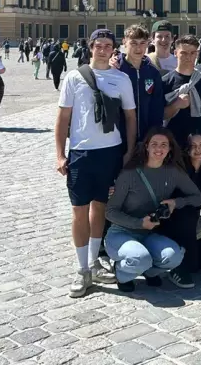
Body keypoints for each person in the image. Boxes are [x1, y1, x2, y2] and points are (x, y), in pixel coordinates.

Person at [55, 29, 137, 297]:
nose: (102, 50)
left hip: (111, 152)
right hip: (81, 153)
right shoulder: (74, 77)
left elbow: (130, 118)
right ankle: (81, 269)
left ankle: (93, 261)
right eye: (98, 45)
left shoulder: (121, 79)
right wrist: (59, 154)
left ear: (114, 49)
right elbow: (63, 119)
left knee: (100, 207)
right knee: (79, 210)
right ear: (90, 47)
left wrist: (129, 150)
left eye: (107, 46)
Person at [104, 127, 201, 292]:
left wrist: (175, 203)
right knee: (141, 258)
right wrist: (139, 223)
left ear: (170, 148)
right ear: (146, 146)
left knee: (174, 256)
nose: (159, 148)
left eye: (164, 144)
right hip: (122, 233)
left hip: (149, 234)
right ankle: (121, 273)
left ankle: (149, 272)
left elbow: (197, 198)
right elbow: (110, 211)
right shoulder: (130, 174)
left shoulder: (173, 172)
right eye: (154, 144)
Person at [158, 132, 201, 289]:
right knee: (191, 263)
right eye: (193, 146)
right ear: (186, 150)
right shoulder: (178, 170)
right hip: (174, 223)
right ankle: (178, 266)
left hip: (193, 226)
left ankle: (183, 259)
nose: (198, 150)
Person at [162, 35, 201, 148]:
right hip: (172, 143)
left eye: (192, 53)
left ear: (197, 54)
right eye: (184, 53)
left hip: (198, 145)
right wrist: (176, 105)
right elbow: (160, 115)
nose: (188, 57)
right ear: (175, 53)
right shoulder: (165, 82)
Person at [116, 25, 165, 143]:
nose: (138, 48)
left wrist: (154, 136)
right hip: (117, 138)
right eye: (133, 43)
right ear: (124, 42)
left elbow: (157, 108)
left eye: (142, 43)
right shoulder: (115, 69)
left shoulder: (153, 73)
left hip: (146, 137)